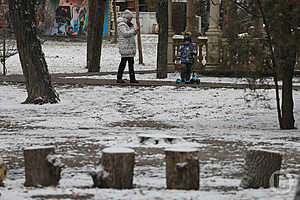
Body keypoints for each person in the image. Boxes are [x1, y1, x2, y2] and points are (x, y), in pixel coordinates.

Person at [116, 9, 139, 83]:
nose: (131, 20)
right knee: (123, 63)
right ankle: (119, 78)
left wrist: (135, 31)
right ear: (127, 18)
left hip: (128, 47)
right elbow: (125, 34)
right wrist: (133, 30)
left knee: (130, 63)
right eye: (130, 18)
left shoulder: (127, 25)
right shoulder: (121, 25)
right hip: (125, 46)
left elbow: (130, 34)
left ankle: (132, 78)